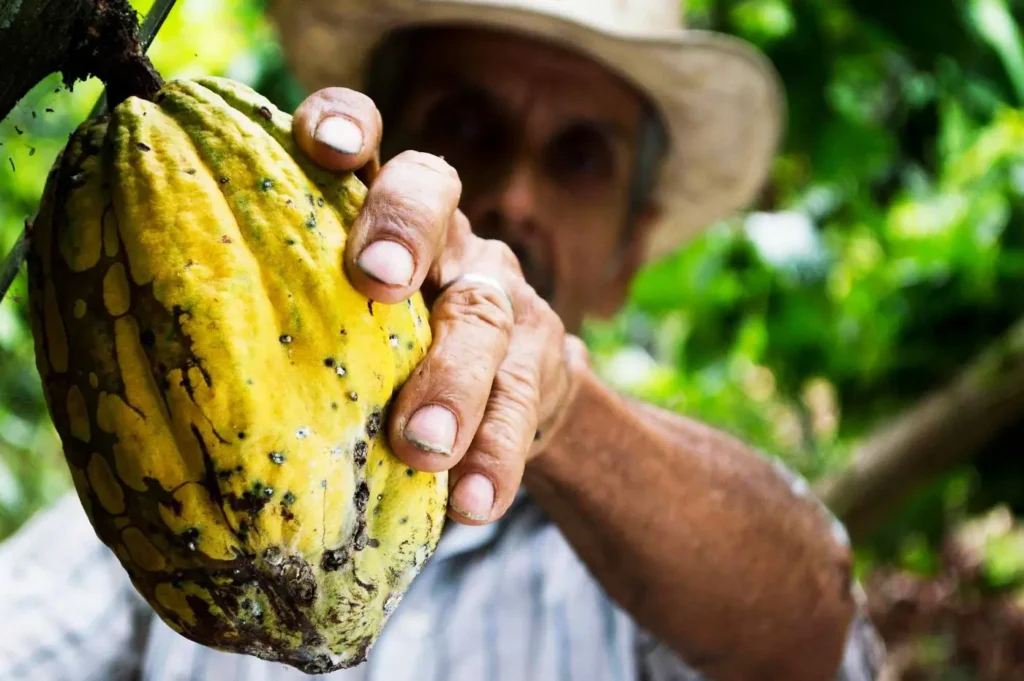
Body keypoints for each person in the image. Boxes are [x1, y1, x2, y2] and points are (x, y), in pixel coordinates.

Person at [0, 1, 887, 679]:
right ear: (363, 150)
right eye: (465, 126)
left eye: (580, 156)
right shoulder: (152, 472)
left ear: (630, 252)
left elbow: (814, 631)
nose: (514, 195)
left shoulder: (659, 566)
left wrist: (562, 411)